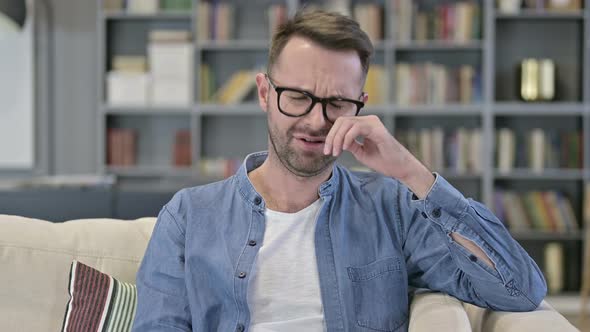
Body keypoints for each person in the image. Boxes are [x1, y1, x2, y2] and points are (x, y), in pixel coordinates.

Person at [132, 9, 546, 332]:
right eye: (298, 97)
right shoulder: (188, 216)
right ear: (264, 92)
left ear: (360, 104)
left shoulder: (393, 207)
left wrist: (412, 172)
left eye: (337, 103)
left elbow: (519, 289)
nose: (316, 121)